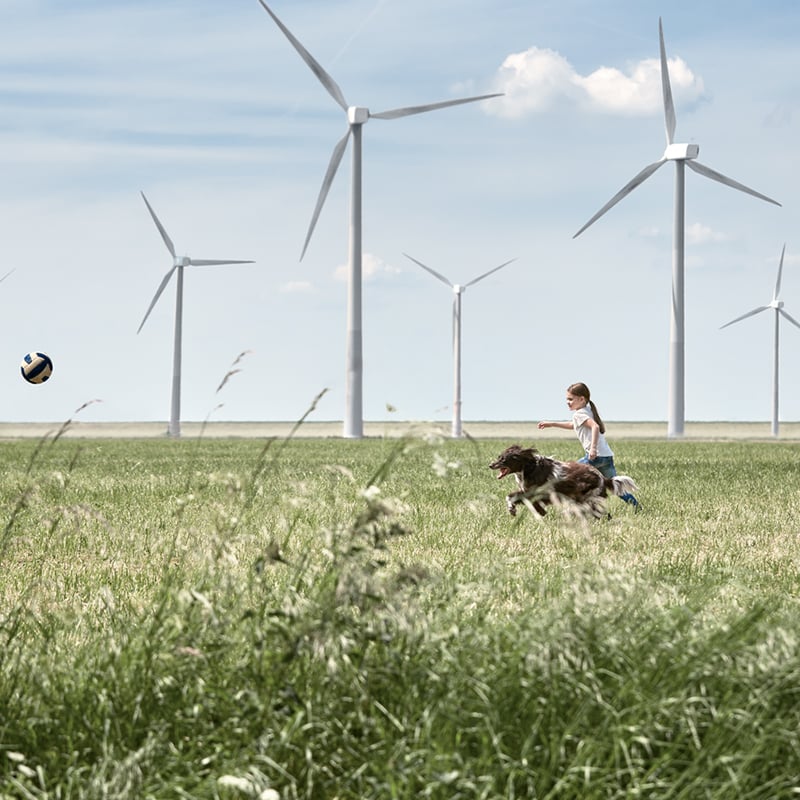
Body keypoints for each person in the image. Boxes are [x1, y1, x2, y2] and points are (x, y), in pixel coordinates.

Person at [537, 382, 640, 511]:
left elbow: (595, 427)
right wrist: (551, 424)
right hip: (606, 456)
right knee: (614, 485)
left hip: (595, 457)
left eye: (570, 399)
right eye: (567, 399)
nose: (568, 402)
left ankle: (573, 508)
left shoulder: (580, 413)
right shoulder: (587, 411)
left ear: (581, 399)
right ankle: (637, 507)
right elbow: (574, 424)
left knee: (566, 475)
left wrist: (593, 448)